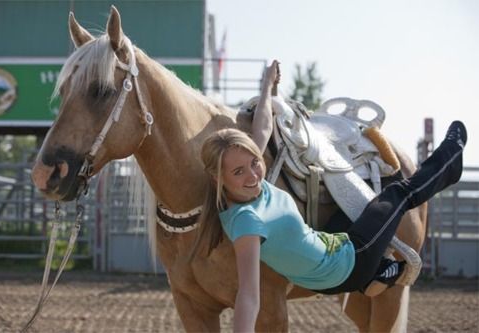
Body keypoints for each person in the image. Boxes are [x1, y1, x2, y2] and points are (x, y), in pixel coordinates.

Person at [191, 60, 467, 332]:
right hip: (348, 263)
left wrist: (267, 88)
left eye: (255, 162)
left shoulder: (244, 188)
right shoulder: (247, 222)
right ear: (218, 177)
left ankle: (382, 271)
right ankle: (449, 162)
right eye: (239, 172)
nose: (253, 175)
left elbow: (263, 129)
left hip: (331, 245)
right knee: (398, 193)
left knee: (351, 207)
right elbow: (249, 296)